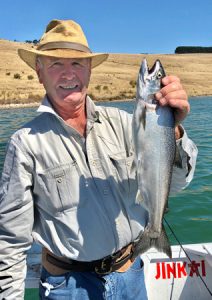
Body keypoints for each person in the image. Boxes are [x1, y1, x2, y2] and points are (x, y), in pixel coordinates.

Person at [0, 19, 197, 300]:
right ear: (39, 73)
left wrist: (173, 131)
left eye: (78, 63)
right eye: (56, 64)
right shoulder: (25, 143)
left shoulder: (127, 124)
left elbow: (176, 183)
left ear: (89, 70)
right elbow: (10, 240)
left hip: (131, 276)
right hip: (68, 288)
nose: (68, 73)